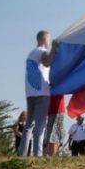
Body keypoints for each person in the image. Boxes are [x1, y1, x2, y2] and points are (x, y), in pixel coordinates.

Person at [20, 29, 58, 157]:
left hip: (30, 93)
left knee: (29, 125)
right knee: (40, 126)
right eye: (49, 39)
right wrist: (54, 49)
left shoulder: (31, 53)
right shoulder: (41, 51)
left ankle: (23, 153)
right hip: (41, 93)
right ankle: (38, 154)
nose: (49, 42)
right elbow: (47, 62)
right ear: (43, 39)